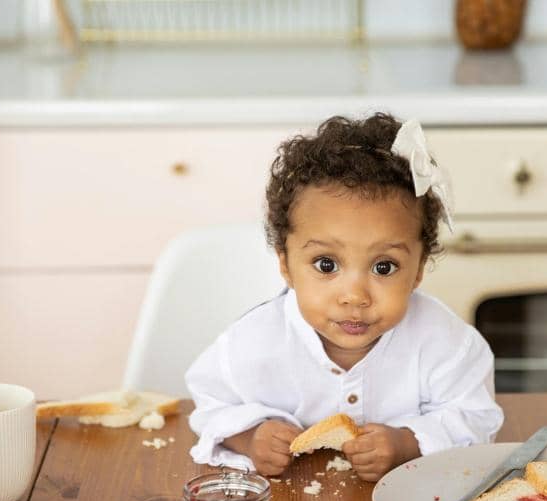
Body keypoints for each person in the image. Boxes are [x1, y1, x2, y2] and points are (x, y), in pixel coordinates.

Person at [185, 112, 503, 481]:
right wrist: (249, 437)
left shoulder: (446, 343)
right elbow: (209, 406)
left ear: (418, 269)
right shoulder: (252, 342)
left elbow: (478, 416)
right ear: (285, 264)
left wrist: (407, 443)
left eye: (384, 267)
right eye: (325, 264)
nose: (354, 296)